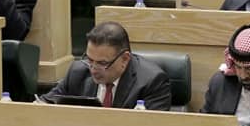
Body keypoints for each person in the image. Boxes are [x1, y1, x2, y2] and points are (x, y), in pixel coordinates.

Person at [39, 21, 171, 109]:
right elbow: (46, 103)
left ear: (125, 59)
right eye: (90, 60)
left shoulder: (152, 82)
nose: (93, 69)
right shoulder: (78, 72)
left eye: (102, 63)